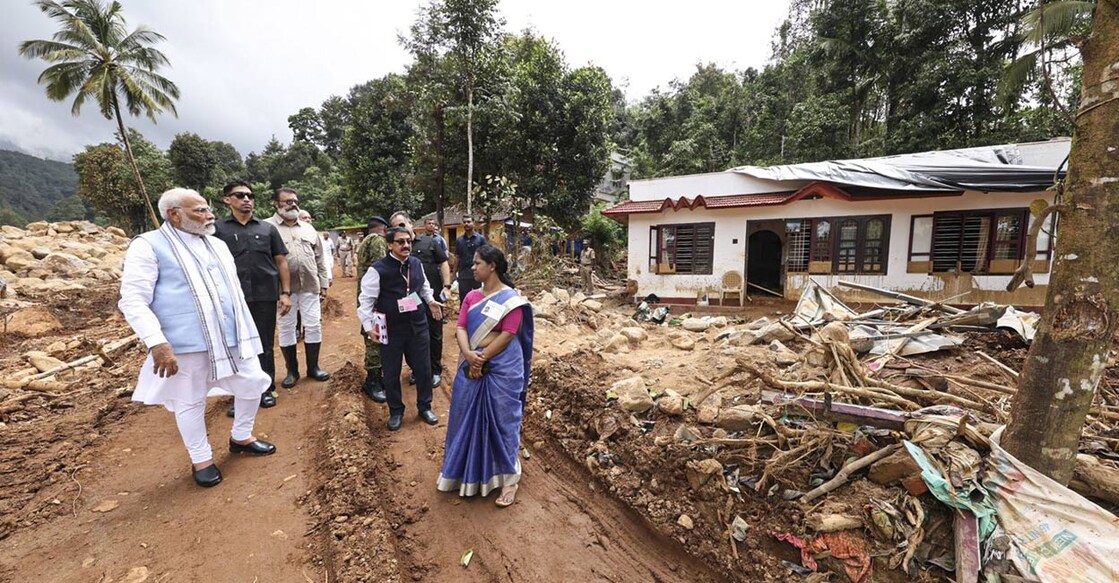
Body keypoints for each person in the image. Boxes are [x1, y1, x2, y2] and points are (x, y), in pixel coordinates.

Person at [119, 188, 277, 488]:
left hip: (232, 335)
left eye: (208, 209)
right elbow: (133, 299)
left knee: (254, 382)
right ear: (174, 214)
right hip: (186, 341)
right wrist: (156, 341)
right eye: (200, 211)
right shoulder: (148, 245)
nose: (210, 215)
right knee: (189, 399)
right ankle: (201, 459)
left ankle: (241, 436)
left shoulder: (217, 244)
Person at [437, 244, 533, 507]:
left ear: (492, 266)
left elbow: (509, 333)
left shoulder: (511, 299)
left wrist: (482, 357)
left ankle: (509, 479)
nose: (472, 267)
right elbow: (460, 327)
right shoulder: (471, 297)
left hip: (503, 367)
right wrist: (469, 355)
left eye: (477, 263)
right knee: (465, 416)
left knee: (503, 420)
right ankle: (467, 472)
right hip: (471, 363)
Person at [213, 180, 292, 416]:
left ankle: (265, 388)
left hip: (264, 295)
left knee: (264, 343)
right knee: (235, 345)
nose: (247, 199)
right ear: (227, 199)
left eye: (250, 195)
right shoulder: (217, 230)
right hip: (231, 298)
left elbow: (281, 261)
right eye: (240, 195)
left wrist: (285, 293)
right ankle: (239, 394)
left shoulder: (267, 229)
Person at [357, 227, 444, 431]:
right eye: (400, 242)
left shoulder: (416, 263)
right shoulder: (378, 269)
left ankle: (425, 406)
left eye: (408, 241)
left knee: (423, 369)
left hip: (417, 325)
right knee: (391, 372)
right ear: (390, 245)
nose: (406, 245)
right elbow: (366, 301)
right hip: (391, 328)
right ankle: (396, 411)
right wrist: (369, 327)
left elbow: (424, 287)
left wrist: (430, 301)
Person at [266, 188, 331, 387]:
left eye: (295, 201)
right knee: (287, 327)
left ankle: (313, 367)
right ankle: (292, 371)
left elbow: (320, 258)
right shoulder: (267, 227)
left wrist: (324, 283)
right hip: (282, 291)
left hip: (310, 286)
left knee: (313, 325)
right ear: (276, 204)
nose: (293, 204)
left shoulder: (309, 229)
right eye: (287, 201)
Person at [413, 218, 452, 387]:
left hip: (433, 296)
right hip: (411, 298)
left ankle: (435, 370)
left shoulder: (429, 242)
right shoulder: (397, 247)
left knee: (434, 332)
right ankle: (417, 370)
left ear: (411, 224)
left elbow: (443, 262)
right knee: (413, 333)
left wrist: (447, 286)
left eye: (403, 224)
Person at [355, 215, 390, 401]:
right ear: (383, 228)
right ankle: (372, 381)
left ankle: (378, 377)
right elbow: (382, 268)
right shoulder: (377, 241)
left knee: (375, 336)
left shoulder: (365, 241)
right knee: (374, 339)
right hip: (374, 297)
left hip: (367, 294)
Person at [453, 215, 487, 297]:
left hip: (477, 274)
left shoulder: (481, 239)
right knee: (464, 298)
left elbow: (486, 256)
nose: (466, 224)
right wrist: (453, 274)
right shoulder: (459, 240)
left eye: (468, 222)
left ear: (473, 223)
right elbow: (457, 257)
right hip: (463, 274)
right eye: (464, 222)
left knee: (478, 298)